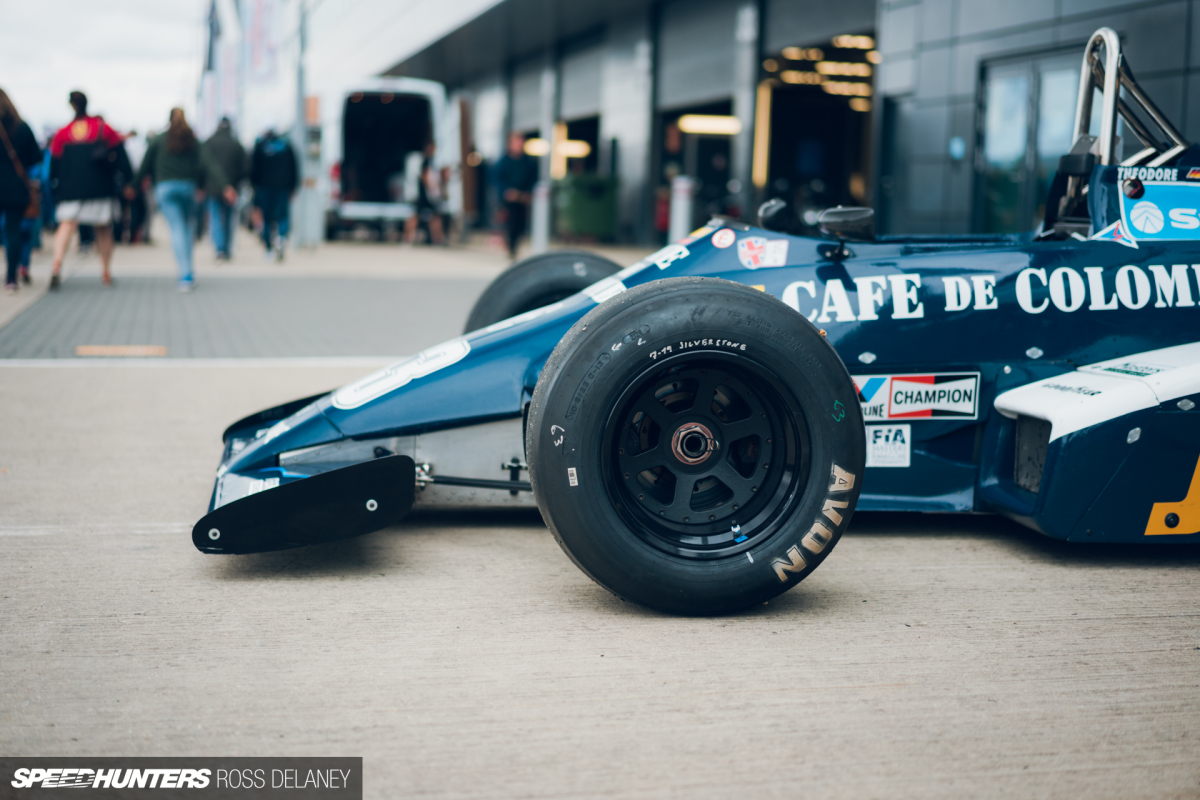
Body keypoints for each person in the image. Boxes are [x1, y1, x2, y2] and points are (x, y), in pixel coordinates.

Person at [136, 108, 235, 292]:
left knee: (177, 229)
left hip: (165, 189)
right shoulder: (192, 140)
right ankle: (188, 271)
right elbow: (208, 163)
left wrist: (133, 186)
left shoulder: (159, 139)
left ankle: (185, 274)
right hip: (188, 189)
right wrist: (225, 186)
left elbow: (145, 165)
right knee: (187, 227)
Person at [47, 90, 132, 288]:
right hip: (99, 188)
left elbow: (54, 165)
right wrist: (127, 181)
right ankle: (105, 272)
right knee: (103, 229)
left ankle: (57, 264)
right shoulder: (103, 128)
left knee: (65, 226)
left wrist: (54, 187)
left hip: (70, 189)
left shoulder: (62, 133)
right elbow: (120, 156)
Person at [0, 89, 41, 294]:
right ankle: (11, 278)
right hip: (16, 187)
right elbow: (36, 158)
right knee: (13, 230)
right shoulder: (22, 127)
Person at [249, 127, 297, 261]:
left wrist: (254, 187)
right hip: (283, 187)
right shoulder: (286, 146)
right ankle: (281, 237)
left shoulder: (260, 147)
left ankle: (269, 248)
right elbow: (294, 167)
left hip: (264, 188)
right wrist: (293, 186)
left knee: (267, 218)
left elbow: (254, 169)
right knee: (283, 215)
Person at [203, 117, 247, 261]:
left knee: (215, 218)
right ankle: (227, 249)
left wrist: (201, 186)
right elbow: (245, 168)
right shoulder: (237, 145)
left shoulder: (209, 143)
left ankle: (219, 249)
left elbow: (202, 166)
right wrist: (235, 185)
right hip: (232, 190)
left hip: (212, 188)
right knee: (229, 219)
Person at [493, 132, 538, 259]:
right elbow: (497, 180)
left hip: (522, 199)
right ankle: (510, 246)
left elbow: (532, 179)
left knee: (520, 224)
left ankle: (515, 246)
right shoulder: (504, 161)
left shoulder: (528, 162)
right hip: (508, 199)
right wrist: (506, 192)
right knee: (509, 223)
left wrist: (527, 193)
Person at [404, 142, 445, 245]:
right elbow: (425, 176)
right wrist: (433, 188)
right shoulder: (425, 161)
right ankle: (408, 239)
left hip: (423, 195)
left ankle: (437, 240)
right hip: (423, 195)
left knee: (432, 217)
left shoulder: (420, 160)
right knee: (418, 217)